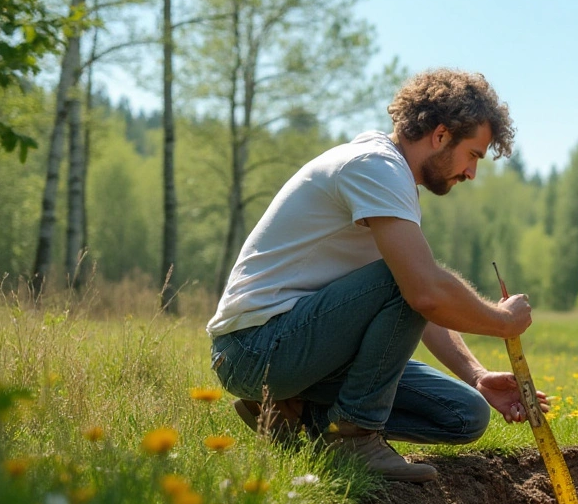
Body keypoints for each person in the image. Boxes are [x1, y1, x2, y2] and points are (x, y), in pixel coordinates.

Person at [207, 68, 546, 483]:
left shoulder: (392, 179)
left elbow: (418, 302)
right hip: (254, 350)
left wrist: (477, 375)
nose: (472, 173)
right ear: (440, 135)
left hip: (296, 347)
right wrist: (503, 321)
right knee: (406, 279)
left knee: (465, 414)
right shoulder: (375, 167)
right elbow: (422, 293)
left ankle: (291, 412)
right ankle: (354, 437)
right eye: (473, 155)